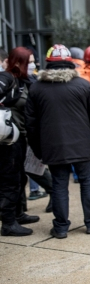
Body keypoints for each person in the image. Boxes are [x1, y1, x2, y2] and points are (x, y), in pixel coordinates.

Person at [25, 45, 90, 239]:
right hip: (84, 144)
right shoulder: (82, 85)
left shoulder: (37, 88)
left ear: (48, 64)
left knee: (59, 185)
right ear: (70, 63)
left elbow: (31, 123)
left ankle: (61, 227)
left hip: (53, 147)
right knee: (88, 183)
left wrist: (38, 148)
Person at [0, 47, 39, 236]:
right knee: (10, 180)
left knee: (20, 178)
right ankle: (8, 223)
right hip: (8, 140)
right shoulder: (7, 78)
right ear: (18, 62)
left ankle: (17, 213)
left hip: (20, 137)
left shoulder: (24, 81)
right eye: (29, 61)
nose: (33, 64)